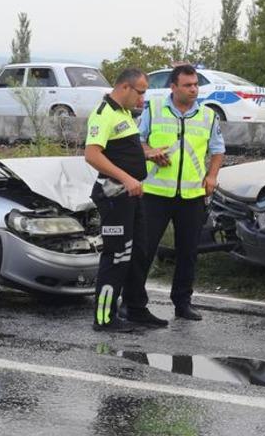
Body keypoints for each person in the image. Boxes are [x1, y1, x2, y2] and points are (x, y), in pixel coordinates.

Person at [129, 64, 225, 320]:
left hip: (192, 196)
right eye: (188, 85)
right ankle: (133, 303)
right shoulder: (154, 109)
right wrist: (150, 152)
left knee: (188, 252)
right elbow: (137, 141)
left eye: (196, 85)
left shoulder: (207, 115)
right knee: (144, 250)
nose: (194, 89)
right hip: (156, 194)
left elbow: (217, 149)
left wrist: (212, 175)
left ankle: (183, 303)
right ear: (173, 87)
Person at [84, 68, 168, 332]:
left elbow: (122, 151)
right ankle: (104, 317)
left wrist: (149, 154)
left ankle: (135, 309)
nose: (143, 98)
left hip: (132, 196)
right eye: (140, 92)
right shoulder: (103, 114)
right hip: (113, 197)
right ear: (124, 88)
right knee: (117, 255)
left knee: (139, 254)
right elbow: (92, 155)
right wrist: (127, 179)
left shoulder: (124, 113)